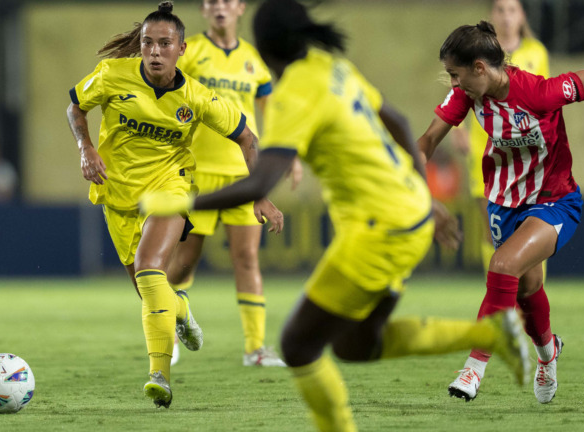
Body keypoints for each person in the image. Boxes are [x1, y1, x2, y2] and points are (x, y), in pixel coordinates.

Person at [141, 1, 530, 430]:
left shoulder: (294, 93)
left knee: (297, 345)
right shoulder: (333, 67)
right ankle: (489, 334)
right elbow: (398, 122)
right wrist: (422, 194)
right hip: (409, 217)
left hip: (379, 231)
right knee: (357, 345)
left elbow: (258, 183)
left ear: (268, 48)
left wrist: (181, 204)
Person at [418, 21, 584, 404]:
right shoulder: (468, 97)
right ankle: (548, 352)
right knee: (527, 289)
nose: (454, 85)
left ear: (479, 68)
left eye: (456, 75)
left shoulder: (539, 92)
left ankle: (474, 365)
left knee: (503, 265)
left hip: (555, 200)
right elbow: (425, 142)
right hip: (504, 203)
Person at [65, 1, 282, 408]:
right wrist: (86, 148)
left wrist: (261, 196)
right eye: (148, 43)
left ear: (181, 49)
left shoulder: (197, 97)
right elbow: (75, 105)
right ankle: (178, 307)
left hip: (170, 186)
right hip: (118, 193)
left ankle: (159, 375)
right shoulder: (113, 76)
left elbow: (247, 138)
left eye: (164, 44)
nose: (154, 52)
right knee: (151, 292)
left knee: (151, 271)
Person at [168, 0, 289, 367]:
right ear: (204, 10)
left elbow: (274, 111)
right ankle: (167, 334)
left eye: (227, 1)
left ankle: (255, 349)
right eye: (211, 2)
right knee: (185, 260)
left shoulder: (253, 58)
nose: (219, 6)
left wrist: (288, 157)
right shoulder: (191, 53)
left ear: (240, 8)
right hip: (197, 174)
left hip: (242, 176)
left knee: (247, 258)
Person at [450, 0, 549, 274]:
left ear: (521, 16)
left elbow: (545, 99)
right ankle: (500, 297)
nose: (506, 17)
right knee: (492, 229)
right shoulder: (477, 52)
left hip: (527, 153)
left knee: (534, 225)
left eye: (512, 10)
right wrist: (458, 129)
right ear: (492, 15)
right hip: (486, 152)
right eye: (501, 10)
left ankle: (533, 297)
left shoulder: (536, 52)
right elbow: (459, 92)